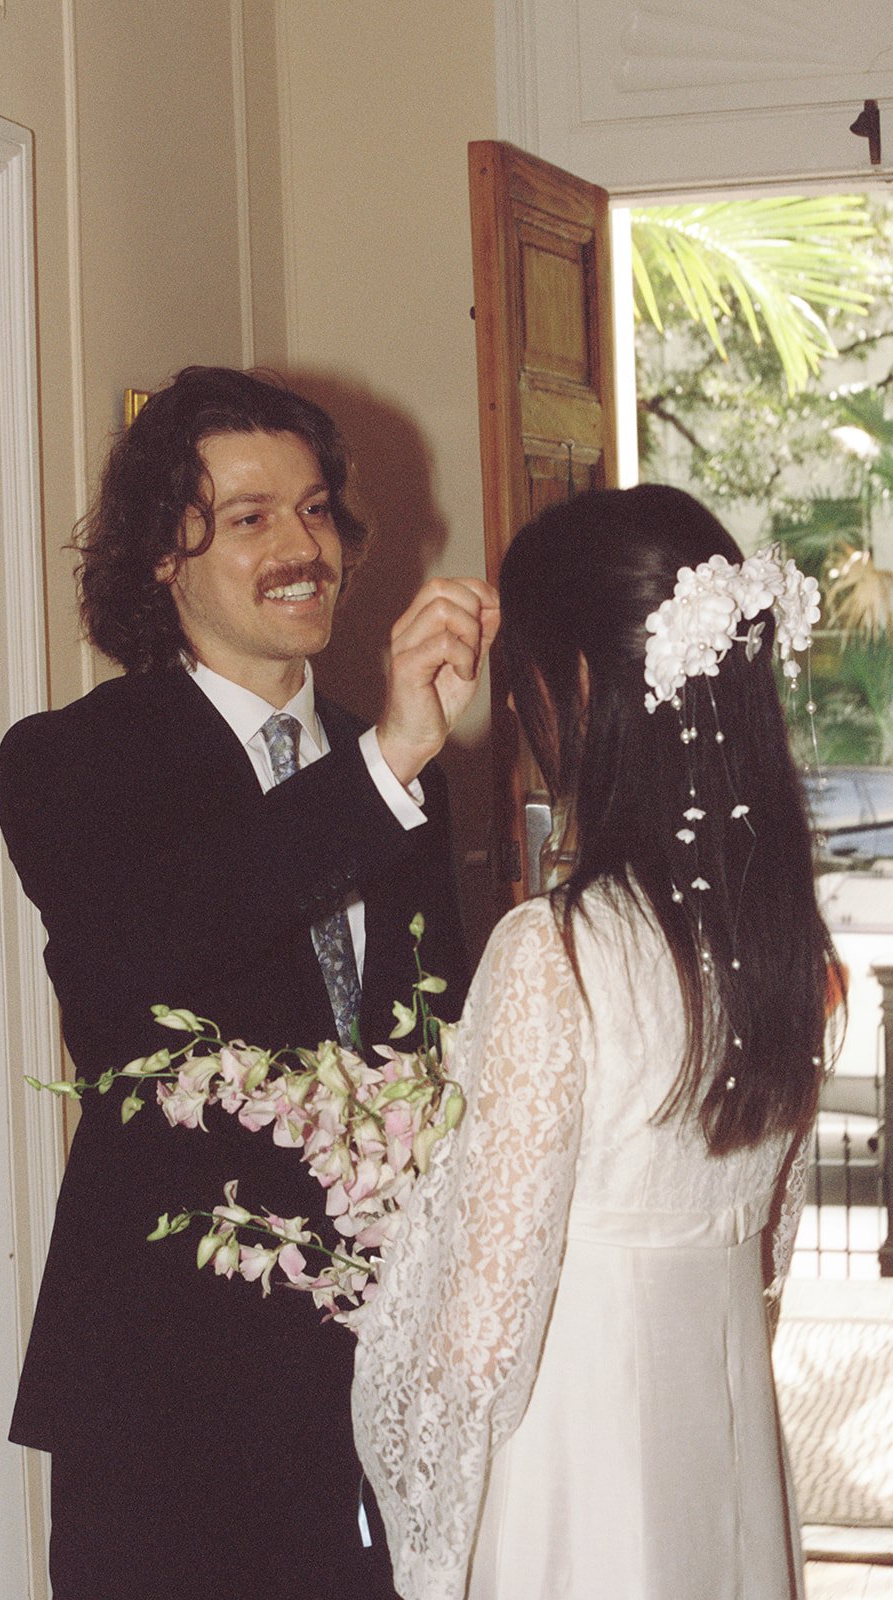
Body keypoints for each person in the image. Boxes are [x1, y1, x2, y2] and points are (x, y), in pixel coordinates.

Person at [0, 365, 499, 1600]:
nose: (301, 546)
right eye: (249, 516)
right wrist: (383, 761)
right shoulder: (71, 760)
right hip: (170, 1386)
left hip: (378, 1381)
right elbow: (152, 956)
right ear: (164, 554)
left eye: (318, 509)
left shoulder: (400, 767)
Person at [352, 483, 842, 1600]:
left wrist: (424, 1540)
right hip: (718, 1443)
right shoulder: (779, 946)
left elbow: (476, 1347)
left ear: (569, 686)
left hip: (578, 1465)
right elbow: (761, 1258)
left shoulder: (554, 955)